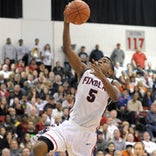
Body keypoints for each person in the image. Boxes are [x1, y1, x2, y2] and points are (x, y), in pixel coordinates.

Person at [32, 8, 120, 156]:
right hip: (69, 126)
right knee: (38, 148)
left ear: (110, 71)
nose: (101, 60)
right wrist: (66, 23)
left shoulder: (112, 82)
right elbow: (67, 50)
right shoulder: (85, 71)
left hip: (87, 135)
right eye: (101, 59)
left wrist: (102, 77)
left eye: (105, 61)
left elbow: (116, 96)